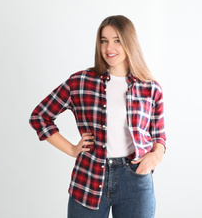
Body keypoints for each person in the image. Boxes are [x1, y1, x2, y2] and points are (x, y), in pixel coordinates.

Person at [29, 15, 166, 218]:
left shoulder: (150, 88)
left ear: (129, 42)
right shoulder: (81, 82)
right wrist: (72, 149)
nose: (109, 47)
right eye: (104, 40)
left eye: (117, 40)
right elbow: (40, 117)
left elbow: (159, 137)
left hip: (136, 179)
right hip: (89, 177)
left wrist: (155, 156)